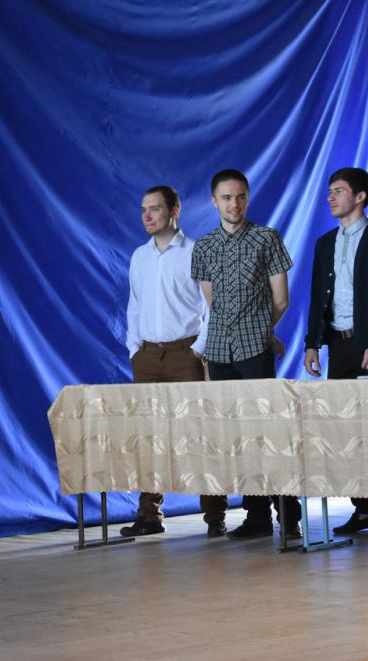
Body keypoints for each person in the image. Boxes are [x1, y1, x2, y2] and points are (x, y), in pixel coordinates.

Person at [191, 169, 300, 539]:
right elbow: (212, 302)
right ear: (214, 201)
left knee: (269, 432)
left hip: (255, 347)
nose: (233, 204)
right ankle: (256, 516)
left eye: (240, 197)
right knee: (238, 436)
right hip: (220, 352)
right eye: (226, 198)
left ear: (248, 198)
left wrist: (259, 328)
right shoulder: (204, 246)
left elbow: (281, 299)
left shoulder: (266, 238)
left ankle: (289, 516)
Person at [303, 167, 368, 537]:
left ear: (360, 196)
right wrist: (312, 343)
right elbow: (317, 296)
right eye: (329, 191)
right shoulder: (324, 243)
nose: (330, 197)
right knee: (345, 429)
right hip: (340, 345)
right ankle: (363, 509)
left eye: (338, 191)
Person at [120, 185, 229, 539]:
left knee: (200, 433)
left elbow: (213, 306)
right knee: (148, 435)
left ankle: (215, 514)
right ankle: (149, 514)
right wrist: (134, 348)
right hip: (147, 356)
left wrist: (198, 349)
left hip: (186, 354)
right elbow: (134, 305)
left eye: (154, 208)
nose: (147, 216)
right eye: (143, 209)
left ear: (175, 210)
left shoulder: (196, 252)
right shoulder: (139, 256)